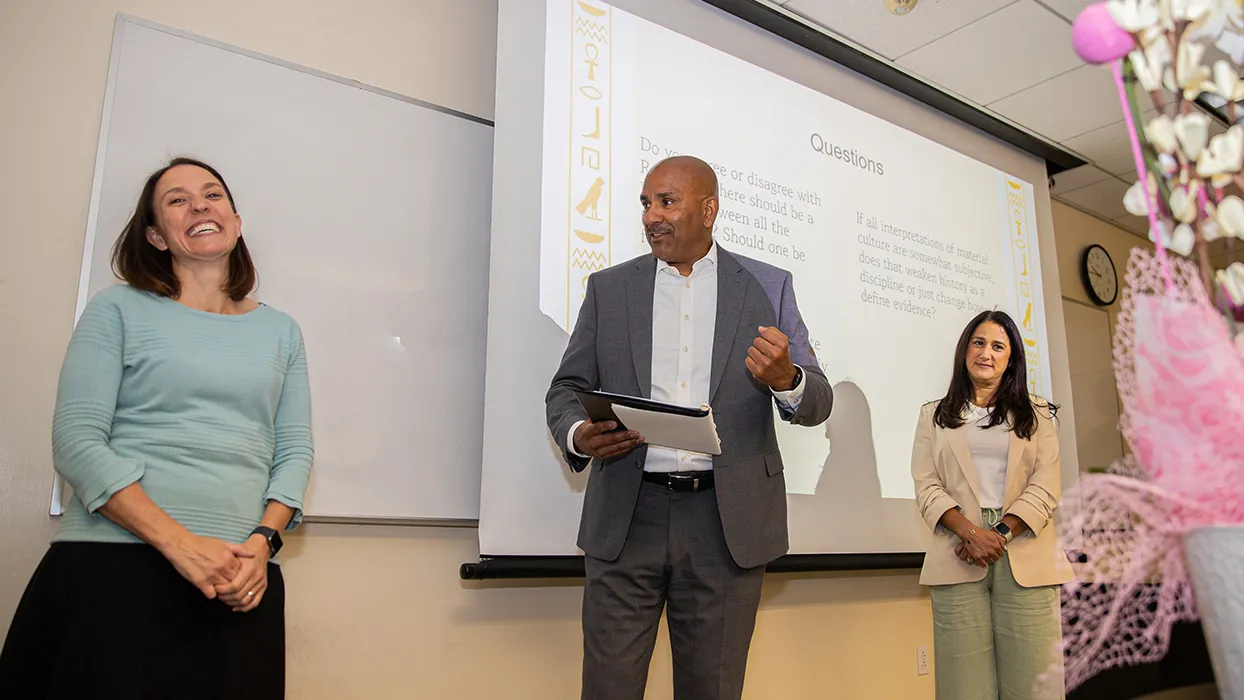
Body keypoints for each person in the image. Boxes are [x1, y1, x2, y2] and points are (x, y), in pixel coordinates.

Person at [0, 157, 313, 699]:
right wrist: (181, 545)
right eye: (177, 200)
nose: (199, 205)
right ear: (156, 236)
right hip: (117, 567)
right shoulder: (116, 309)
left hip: (240, 579)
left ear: (235, 221)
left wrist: (262, 545)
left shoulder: (282, 331)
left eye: (212, 194)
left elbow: (294, 450)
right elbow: (76, 440)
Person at [546, 155, 833, 700]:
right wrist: (578, 433)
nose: (652, 215)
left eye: (667, 202)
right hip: (628, 520)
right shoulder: (609, 289)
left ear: (709, 209)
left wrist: (787, 377)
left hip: (725, 527)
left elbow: (817, 398)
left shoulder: (767, 287)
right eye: (646, 203)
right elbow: (566, 387)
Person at [910, 310, 1074, 700]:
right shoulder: (932, 416)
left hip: (1024, 549)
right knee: (963, 687)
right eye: (978, 343)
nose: (986, 353)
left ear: (1011, 358)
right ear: (965, 351)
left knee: (1035, 685)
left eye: (998, 346)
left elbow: (1046, 485)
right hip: (957, 551)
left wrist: (997, 534)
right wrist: (970, 533)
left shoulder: (1037, 414)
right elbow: (926, 484)